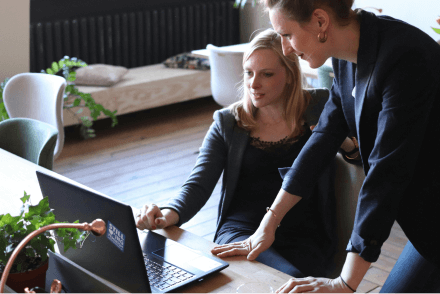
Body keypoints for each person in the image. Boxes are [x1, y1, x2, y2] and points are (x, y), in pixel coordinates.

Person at [211, 0, 440, 293]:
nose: (285, 49)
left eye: (287, 35)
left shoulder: (404, 57)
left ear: (320, 22)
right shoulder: (347, 58)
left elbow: (386, 174)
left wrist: (344, 283)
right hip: (426, 219)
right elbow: (323, 137)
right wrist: (269, 223)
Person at [136, 28, 340, 278]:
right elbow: (198, 184)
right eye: (249, 73)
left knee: (291, 279)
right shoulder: (228, 122)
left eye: (266, 74)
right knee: (283, 278)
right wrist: (166, 215)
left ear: (289, 75)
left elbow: (359, 155)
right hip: (241, 230)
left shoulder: (319, 106)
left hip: (304, 233)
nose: (254, 84)